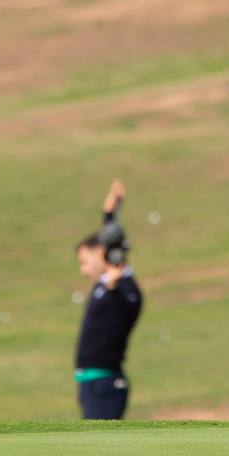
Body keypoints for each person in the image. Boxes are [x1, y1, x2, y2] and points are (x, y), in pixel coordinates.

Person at [74, 178, 141, 420]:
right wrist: (111, 211)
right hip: (90, 382)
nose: (83, 270)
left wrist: (114, 289)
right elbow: (112, 238)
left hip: (107, 384)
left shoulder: (128, 289)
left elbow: (127, 309)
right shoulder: (107, 282)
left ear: (99, 253)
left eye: (84, 262)